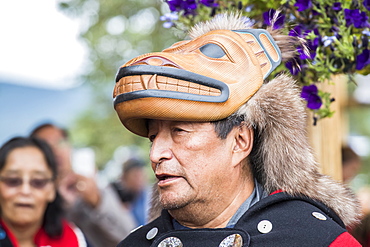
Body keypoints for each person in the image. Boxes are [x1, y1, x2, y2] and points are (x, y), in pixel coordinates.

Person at [112, 13, 361, 246]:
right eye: (153, 137)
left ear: (240, 141)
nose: (156, 155)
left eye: (179, 131)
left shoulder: (316, 240)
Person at [30, 123, 136, 247]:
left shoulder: (95, 189)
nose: (56, 151)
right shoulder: (34, 199)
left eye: (60, 143)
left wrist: (96, 202)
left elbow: (130, 236)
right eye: (46, 146)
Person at [0, 136, 89, 246]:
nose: (25, 191)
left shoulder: (73, 239)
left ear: (52, 188)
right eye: (13, 180)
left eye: (38, 182)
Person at [111, 158, 151, 226]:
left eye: (141, 174)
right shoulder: (116, 197)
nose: (140, 179)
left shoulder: (151, 196)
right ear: (124, 178)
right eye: (135, 176)